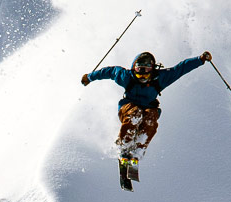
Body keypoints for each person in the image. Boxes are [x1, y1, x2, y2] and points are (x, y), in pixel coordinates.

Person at [81, 49, 211, 189]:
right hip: (128, 107)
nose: (142, 74)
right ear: (134, 68)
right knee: (135, 114)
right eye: (139, 69)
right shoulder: (127, 76)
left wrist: (200, 59)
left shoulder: (159, 78)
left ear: (152, 69)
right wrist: (90, 77)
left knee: (150, 119)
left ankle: (138, 149)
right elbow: (109, 71)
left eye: (146, 69)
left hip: (149, 108)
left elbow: (180, 69)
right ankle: (124, 146)